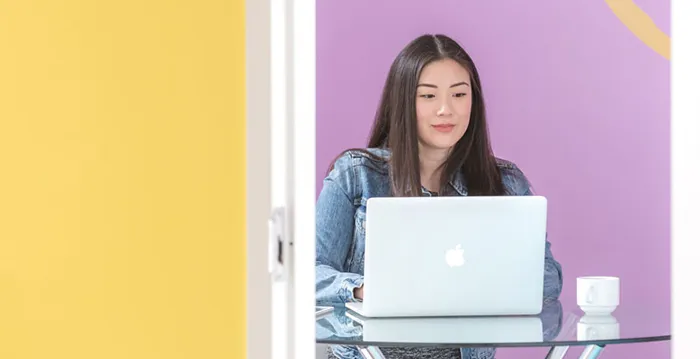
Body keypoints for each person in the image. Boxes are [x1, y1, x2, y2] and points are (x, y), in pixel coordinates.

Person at [315, 34, 564, 359]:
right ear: (403, 102)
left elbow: (548, 280)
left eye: (459, 94)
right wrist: (363, 289)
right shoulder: (355, 175)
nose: (446, 110)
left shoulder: (504, 182)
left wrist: (481, 280)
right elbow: (309, 273)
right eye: (428, 96)